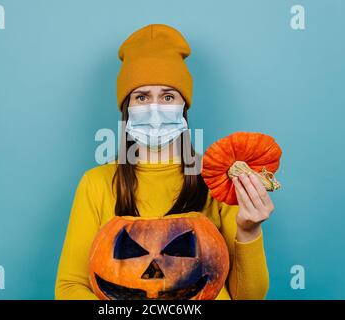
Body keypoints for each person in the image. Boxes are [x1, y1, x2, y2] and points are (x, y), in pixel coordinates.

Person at [55, 24, 273, 300]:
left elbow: (249, 297)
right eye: (142, 96)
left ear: (184, 107)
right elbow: (69, 288)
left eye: (167, 96)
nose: (154, 109)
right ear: (127, 108)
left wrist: (249, 230)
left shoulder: (218, 180)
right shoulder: (96, 184)